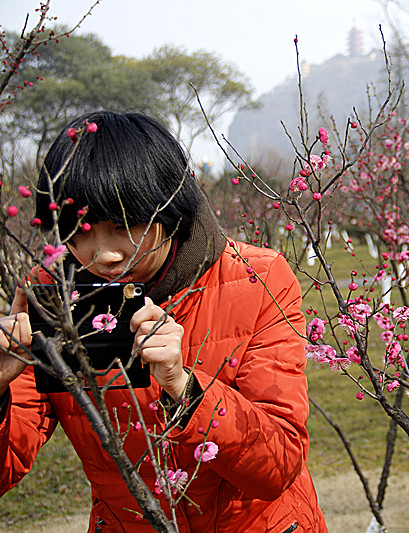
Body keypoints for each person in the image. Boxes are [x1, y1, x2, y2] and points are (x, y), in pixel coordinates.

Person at [0, 111, 328, 532]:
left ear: (169, 208)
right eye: (79, 232)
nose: (104, 254)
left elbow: (278, 466)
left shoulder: (256, 279)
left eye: (123, 225)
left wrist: (185, 388)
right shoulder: (51, 297)